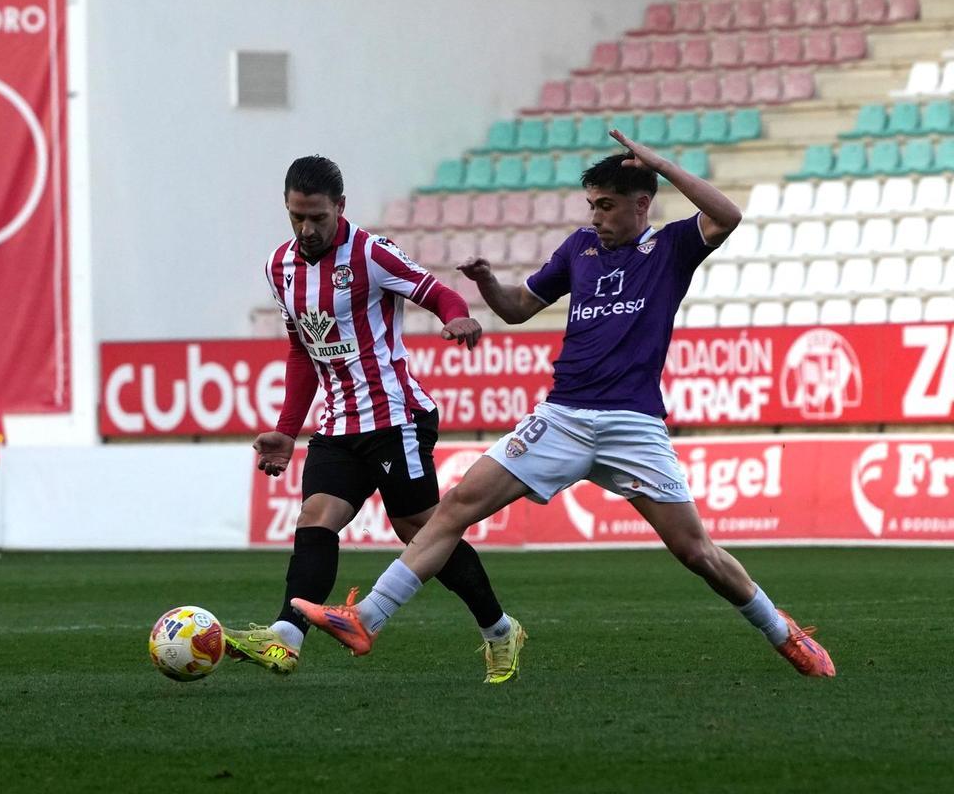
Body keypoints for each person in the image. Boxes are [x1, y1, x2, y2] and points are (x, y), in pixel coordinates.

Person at [293, 132, 836, 678]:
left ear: (641, 204)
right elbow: (520, 308)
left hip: (632, 424)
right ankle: (366, 617)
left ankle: (782, 631)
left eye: (607, 205)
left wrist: (660, 163)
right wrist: (489, 285)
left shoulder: (671, 247)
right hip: (562, 417)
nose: (596, 216)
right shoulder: (580, 249)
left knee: (697, 552)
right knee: (456, 506)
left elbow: (728, 215)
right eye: (591, 205)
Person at [223, 155, 527, 683]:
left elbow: (436, 291)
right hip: (338, 425)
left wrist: (455, 316)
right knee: (315, 519)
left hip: (395, 418)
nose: (307, 228)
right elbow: (302, 352)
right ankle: (285, 639)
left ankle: (500, 630)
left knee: (422, 530)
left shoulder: (370, 252)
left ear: (340, 207)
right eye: (297, 216)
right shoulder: (279, 267)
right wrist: (288, 430)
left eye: (317, 216)